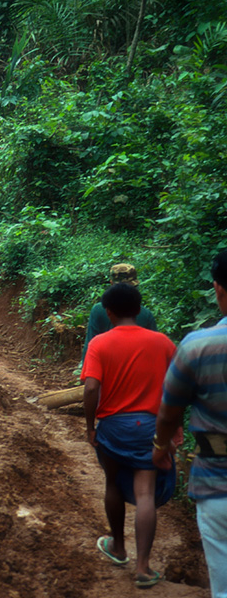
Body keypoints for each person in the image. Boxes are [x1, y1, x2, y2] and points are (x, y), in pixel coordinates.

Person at [81, 282, 176, 589]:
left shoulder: (100, 344)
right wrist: (176, 427)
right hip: (151, 427)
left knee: (113, 484)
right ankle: (144, 568)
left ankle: (118, 548)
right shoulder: (163, 343)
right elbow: (175, 391)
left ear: (108, 313)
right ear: (139, 310)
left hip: (113, 428)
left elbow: (92, 387)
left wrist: (90, 426)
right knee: (145, 493)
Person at [154, 249, 227, 597]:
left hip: (217, 484)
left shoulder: (198, 346)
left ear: (218, 289)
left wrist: (160, 447)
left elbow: (169, 412)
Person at [78, 263, 157, 372]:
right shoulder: (145, 313)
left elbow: (90, 345)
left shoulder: (100, 309)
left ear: (111, 283)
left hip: (109, 373)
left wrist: (86, 373)